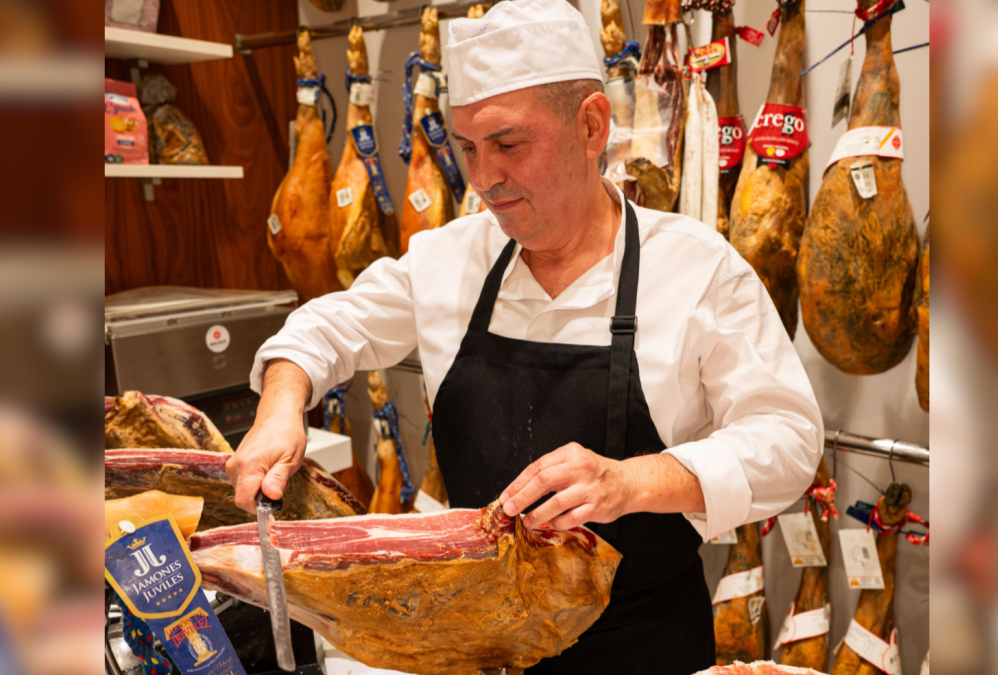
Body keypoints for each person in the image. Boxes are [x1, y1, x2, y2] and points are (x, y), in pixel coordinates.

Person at [227, 0, 823, 671]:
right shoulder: (452, 257)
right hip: (483, 650)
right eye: (469, 149)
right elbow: (323, 326)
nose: (483, 180)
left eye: (509, 145)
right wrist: (281, 405)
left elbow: (788, 439)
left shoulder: (694, 267)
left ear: (591, 125)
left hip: (643, 649)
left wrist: (631, 482)